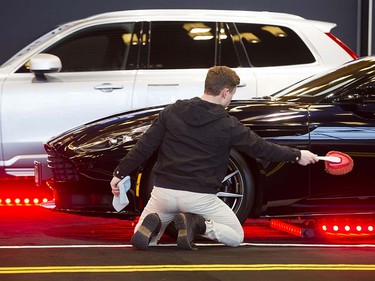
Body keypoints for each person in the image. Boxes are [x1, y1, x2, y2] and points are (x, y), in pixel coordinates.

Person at [110, 66, 318, 250]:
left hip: (164, 192)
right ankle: (199, 224)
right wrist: (298, 155)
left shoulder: (172, 111)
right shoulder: (229, 125)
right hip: (199, 199)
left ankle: (154, 227)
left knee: (146, 235)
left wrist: (119, 174)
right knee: (236, 235)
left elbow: (145, 146)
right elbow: (262, 149)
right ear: (225, 92)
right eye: (231, 95)